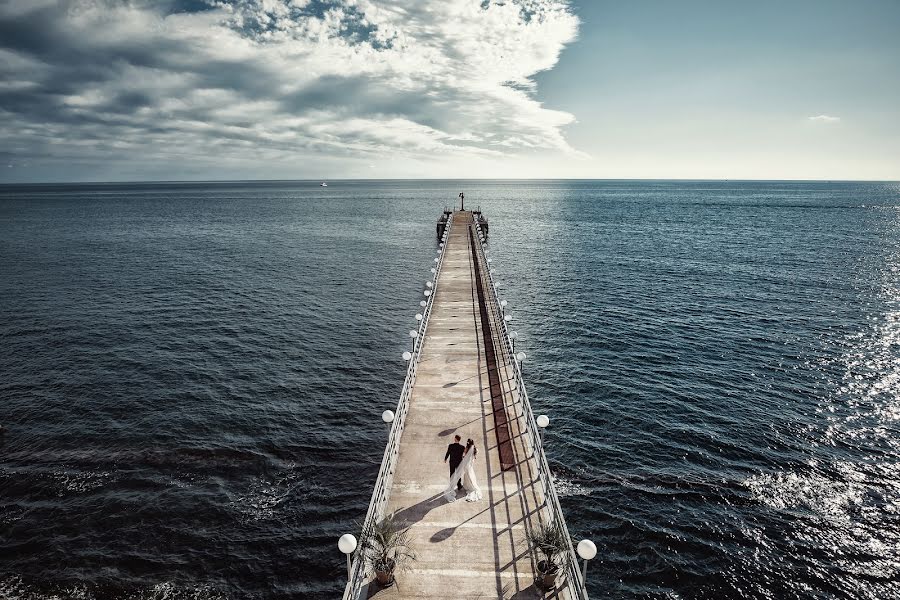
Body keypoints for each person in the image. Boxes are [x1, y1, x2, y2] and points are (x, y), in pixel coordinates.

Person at [443, 438, 482, 502]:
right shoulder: (474, 449)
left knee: (455, 473)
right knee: (469, 475)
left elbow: (463, 455)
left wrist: (446, 459)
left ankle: (454, 485)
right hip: (470, 465)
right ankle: (464, 485)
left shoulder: (465, 448)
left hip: (462, 464)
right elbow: (474, 457)